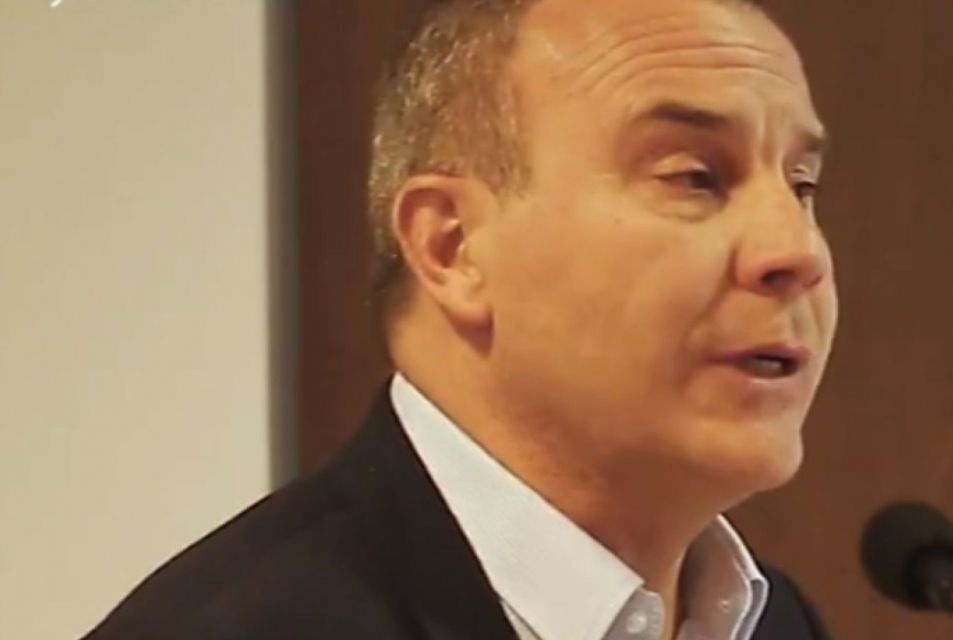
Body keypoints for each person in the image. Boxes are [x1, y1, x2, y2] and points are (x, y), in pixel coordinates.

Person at [84, 0, 838, 638]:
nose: (796, 250)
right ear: (453, 247)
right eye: (695, 177)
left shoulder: (774, 620)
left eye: (801, 186)